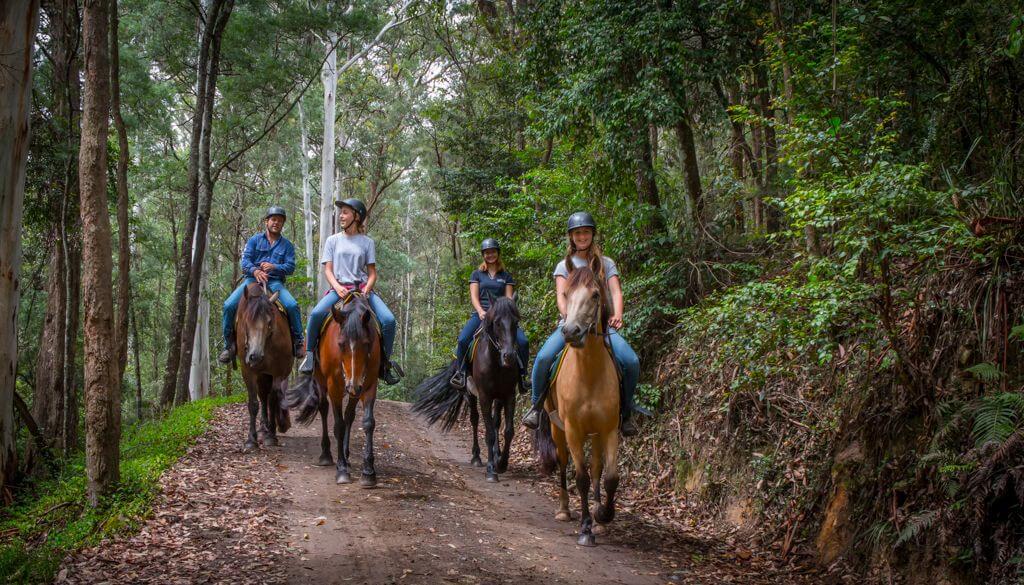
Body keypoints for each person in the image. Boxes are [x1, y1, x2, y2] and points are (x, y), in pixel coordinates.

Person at [520, 212, 641, 437]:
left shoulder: (606, 263)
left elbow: (615, 291)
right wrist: (570, 318)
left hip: (601, 327)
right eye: (577, 233)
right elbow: (560, 296)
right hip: (571, 324)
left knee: (631, 361)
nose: (582, 236)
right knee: (544, 357)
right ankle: (536, 408)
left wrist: (619, 314)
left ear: (592, 235)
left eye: (586, 232)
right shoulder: (564, 265)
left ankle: (626, 412)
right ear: (571, 237)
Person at [298, 198, 401, 385]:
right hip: (339, 290)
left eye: (345, 212)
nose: (341, 216)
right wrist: (337, 287)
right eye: (341, 212)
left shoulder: (367, 242)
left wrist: (367, 289)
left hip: (362, 291)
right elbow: (328, 270)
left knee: (388, 320)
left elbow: (372, 273)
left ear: (356, 216)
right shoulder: (332, 240)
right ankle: (310, 357)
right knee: (315, 314)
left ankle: (385, 364)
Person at [219, 206, 304, 363]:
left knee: (292, 305)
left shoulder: (287, 246)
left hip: (275, 282)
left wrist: (275, 267)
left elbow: (290, 267)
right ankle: (228, 346)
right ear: (267, 221)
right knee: (228, 305)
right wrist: (255, 271)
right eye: (273, 219)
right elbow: (245, 261)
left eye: (280, 221)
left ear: (282, 224)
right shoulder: (254, 240)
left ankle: (299, 342)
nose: (276, 223)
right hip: (252, 281)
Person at [449, 238, 530, 392]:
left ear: (498, 254)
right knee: (463, 340)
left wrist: (504, 314)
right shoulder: (477, 274)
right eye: (487, 252)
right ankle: (461, 374)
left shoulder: (506, 276)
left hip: (501, 317)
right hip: (481, 314)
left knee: (523, 342)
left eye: (493, 252)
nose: (490, 255)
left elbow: (508, 300)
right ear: (483, 255)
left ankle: (522, 376)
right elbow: (474, 296)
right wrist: (480, 311)